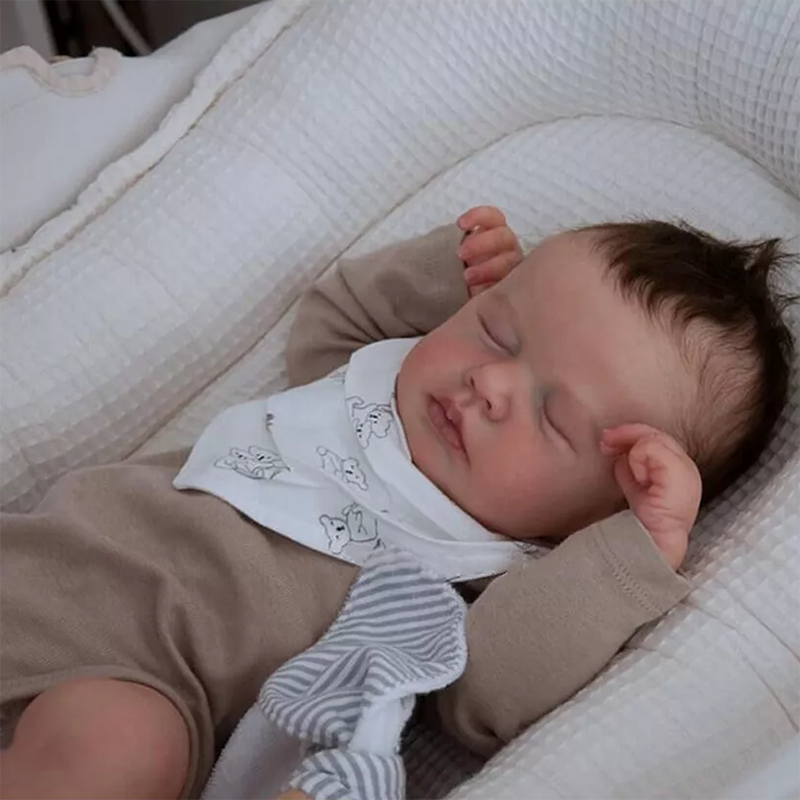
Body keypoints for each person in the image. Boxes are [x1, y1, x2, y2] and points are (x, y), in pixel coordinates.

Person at [0, 206, 793, 800]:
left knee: (122, 750)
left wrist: (632, 549)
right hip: (33, 562)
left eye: (552, 417)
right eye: (496, 332)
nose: (490, 384)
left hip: (138, 681)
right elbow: (337, 313)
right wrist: (447, 274)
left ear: (593, 511)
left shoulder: (466, 579)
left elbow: (487, 695)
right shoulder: (363, 381)